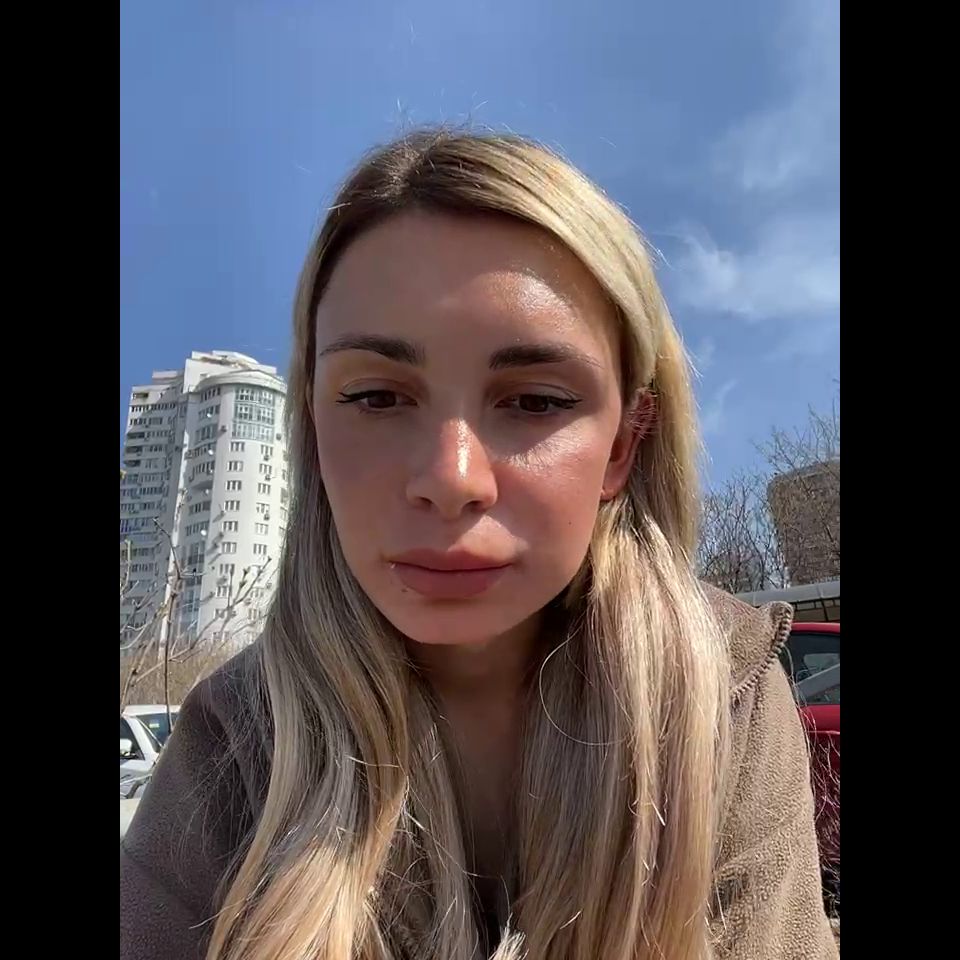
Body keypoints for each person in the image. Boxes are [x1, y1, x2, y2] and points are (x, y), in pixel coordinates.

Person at [120, 129, 837, 960]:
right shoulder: (233, 744)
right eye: (377, 396)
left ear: (622, 445)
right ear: (313, 430)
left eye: (534, 401)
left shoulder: (725, 695)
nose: (451, 478)